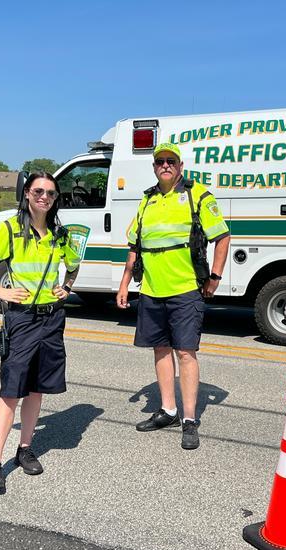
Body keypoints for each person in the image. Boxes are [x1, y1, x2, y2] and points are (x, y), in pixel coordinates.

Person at [0, 172, 82, 492]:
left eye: (51, 193)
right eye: (39, 191)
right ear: (27, 194)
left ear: (56, 199)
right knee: (11, 391)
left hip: (52, 319)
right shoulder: (11, 230)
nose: (45, 197)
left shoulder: (60, 234)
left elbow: (73, 264)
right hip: (22, 320)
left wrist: (66, 287)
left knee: (37, 388)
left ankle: (25, 449)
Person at [116, 142, 230, 450]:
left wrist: (215, 277)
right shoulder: (147, 201)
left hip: (185, 289)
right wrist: (125, 284)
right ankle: (168, 410)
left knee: (185, 353)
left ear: (180, 166)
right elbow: (134, 246)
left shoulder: (198, 195)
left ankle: (189, 419)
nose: (165, 165)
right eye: (160, 161)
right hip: (151, 290)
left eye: (171, 161)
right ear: (154, 167)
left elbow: (222, 236)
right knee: (160, 350)